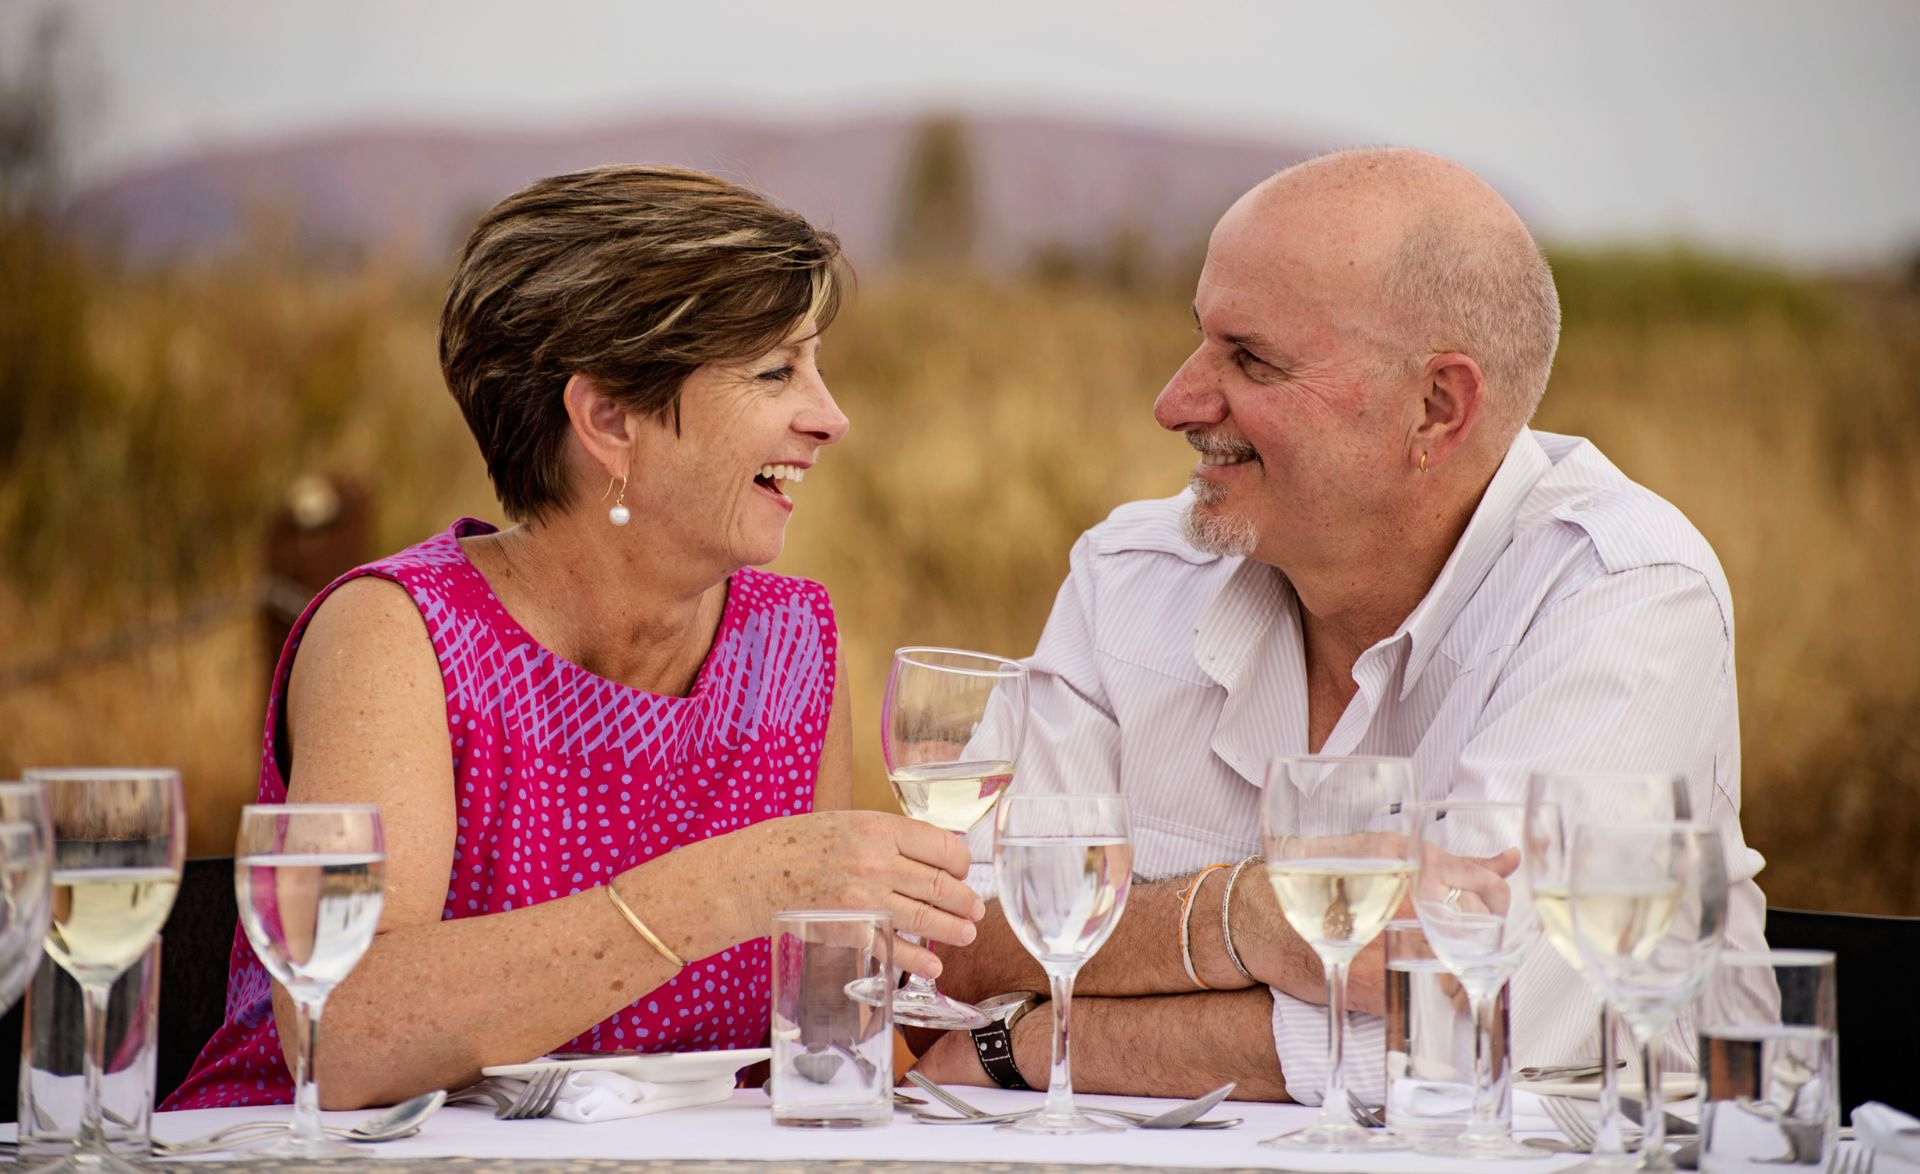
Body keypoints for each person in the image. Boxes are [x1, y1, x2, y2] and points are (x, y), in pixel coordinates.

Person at [911, 148, 1767, 1103]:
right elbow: (955, 944)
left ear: (1438, 408)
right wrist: (1246, 915)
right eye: (1201, 339)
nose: (1176, 402)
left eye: (1252, 360)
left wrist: (1030, 1047)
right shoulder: (1130, 575)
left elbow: (1471, 1019)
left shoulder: (1623, 592)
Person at [167, 166, 984, 1111]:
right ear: (608, 418)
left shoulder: (791, 646)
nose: (831, 418)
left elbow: (818, 1048)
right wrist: (735, 885)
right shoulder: (398, 636)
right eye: (775, 372)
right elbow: (342, 1030)